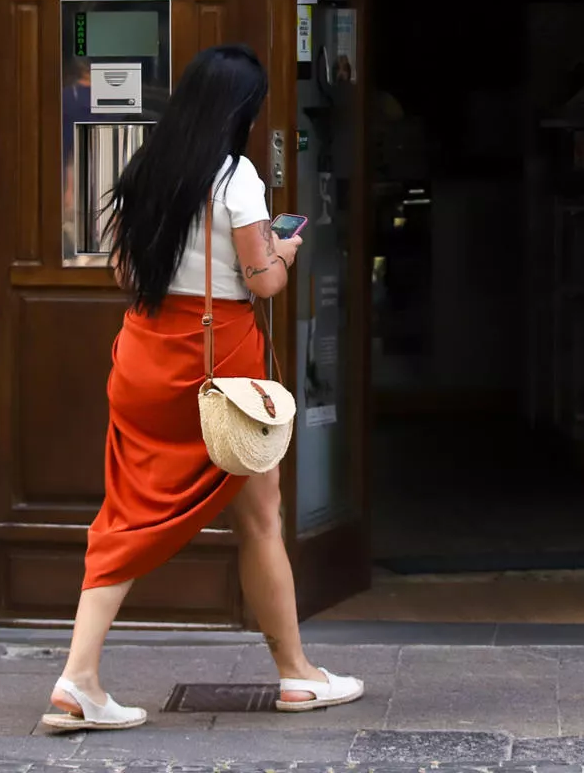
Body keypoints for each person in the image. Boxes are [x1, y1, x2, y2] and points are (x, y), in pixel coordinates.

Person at [43, 44, 364, 733]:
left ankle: (80, 676)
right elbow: (263, 282)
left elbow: (126, 272)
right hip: (219, 365)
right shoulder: (236, 177)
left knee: (126, 515)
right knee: (259, 518)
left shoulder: (145, 168)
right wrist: (285, 250)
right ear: (240, 110)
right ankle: (296, 675)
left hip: (144, 356)